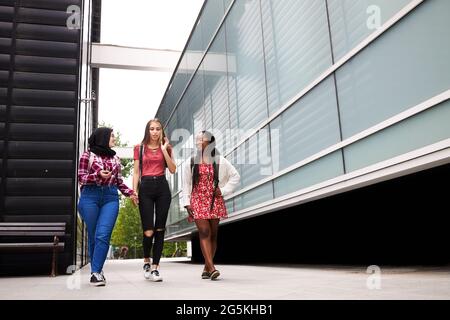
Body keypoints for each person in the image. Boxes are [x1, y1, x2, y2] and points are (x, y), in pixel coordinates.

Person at [78, 127, 138, 286]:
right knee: (93, 235)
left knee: (102, 234)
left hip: (110, 198)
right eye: (111, 136)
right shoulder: (87, 155)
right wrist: (97, 175)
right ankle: (96, 270)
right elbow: (81, 178)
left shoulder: (116, 159)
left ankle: (96, 272)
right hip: (89, 196)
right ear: (103, 137)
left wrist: (130, 193)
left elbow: (118, 182)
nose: (114, 139)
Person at [182, 131, 240, 280]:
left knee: (213, 235)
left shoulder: (220, 160)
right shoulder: (191, 161)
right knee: (205, 232)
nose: (198, 139)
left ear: (209, 141)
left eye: (202, 138)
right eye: (197, 138)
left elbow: (235, 176)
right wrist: (187, 203)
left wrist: (224, 190)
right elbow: (186, 184)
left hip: (215, 201)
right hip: (197, 200)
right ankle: (212, 267)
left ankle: (207, 267)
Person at [133, 118, 176, 281]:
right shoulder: (139, 148)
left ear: (161, 131)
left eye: (158, 129)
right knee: (148, 230)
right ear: (147, 130)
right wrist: (134, 191)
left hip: (162, 188)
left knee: (160, 229)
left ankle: (156, 268)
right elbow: (136, 172)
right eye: (152, 129)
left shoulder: (167, 148)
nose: (155, 132)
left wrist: (164, 150)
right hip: (145, 188)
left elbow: (172, 169)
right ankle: (146, 260)